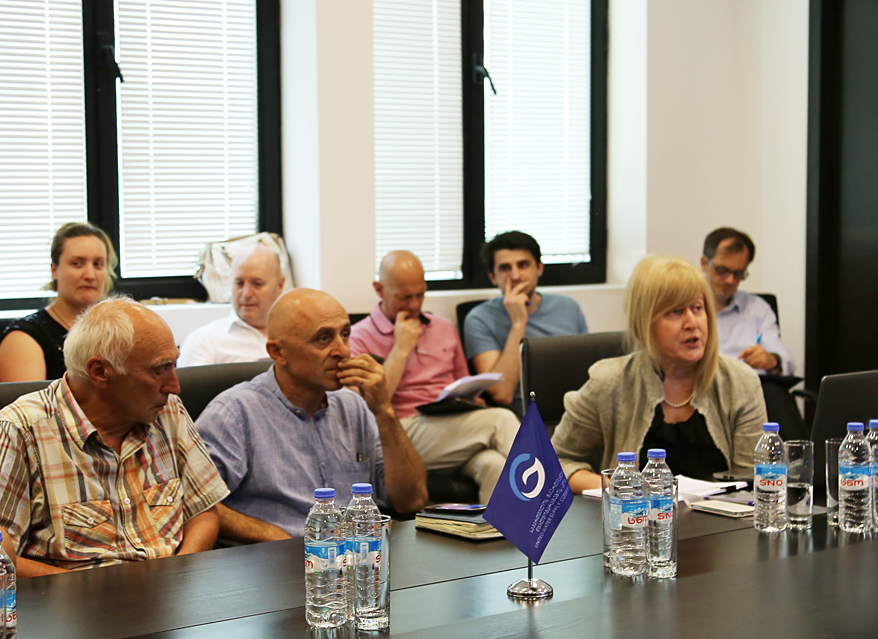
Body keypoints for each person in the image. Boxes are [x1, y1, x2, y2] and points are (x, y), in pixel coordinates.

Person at [0, 298, 231, 575]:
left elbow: (202, 510)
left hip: (171, 587)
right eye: (159, 370)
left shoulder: (167, 410)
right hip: (74, 596)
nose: (174, 386)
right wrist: (93, 591)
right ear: (99, 372)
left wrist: (180, 571)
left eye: (173, 366)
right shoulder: (21, 429)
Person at [195, 289, 428, 540]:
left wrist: (384, 412)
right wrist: (271, 536)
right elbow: (196, 501)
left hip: (356, 553)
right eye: (323, 338)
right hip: (279, 557)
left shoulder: (353, 406)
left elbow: (411, 501)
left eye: (345, 335)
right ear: (278, 353)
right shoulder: (234, 412)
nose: (343, 351)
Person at [552, 256, 766, 491]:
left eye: (697, 308)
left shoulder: (740, 382)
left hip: (724, 515)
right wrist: (617, 487)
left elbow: (753, 479)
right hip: (634, 513)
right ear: (644, 322)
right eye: (675, 312)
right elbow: (553, 463)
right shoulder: (610, 382)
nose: (692, 323)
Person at [351, 251, 520, 502]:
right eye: (404, 297)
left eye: (420, 295)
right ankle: (555, 498)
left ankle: (506, 529)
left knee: (494, 465)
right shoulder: (358, 337)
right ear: (379, 289)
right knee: (501, 420)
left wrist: (472, 402)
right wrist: (401, 348)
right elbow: (370, 407)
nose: (414, 305)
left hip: (450, 427)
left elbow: (463, 382)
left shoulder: (444, 327)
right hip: (400, 432)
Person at [463, 231, 589, 408]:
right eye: (505, 268)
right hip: (524, 414)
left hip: (572, 407)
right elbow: (502, 394)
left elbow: (586, 371)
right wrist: (518, 323)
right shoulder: (479, 318)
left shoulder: (569, 307)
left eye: (523, 265)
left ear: (539, 269)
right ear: (493, 277)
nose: (515, 276)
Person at [0, 222, 115, 382]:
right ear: (54, 270)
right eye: (77, 264)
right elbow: (29, 399)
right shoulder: (24, 337)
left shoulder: (118, 330)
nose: (90, 275)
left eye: (98, 264)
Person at [699, 227, 795, 376]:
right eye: (722, 270)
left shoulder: (757, 308)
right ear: (704, 263)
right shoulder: (683, 307)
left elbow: (786, 361)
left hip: (750, 384)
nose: (730, 280)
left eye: (738, 273)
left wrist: (772, 360)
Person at [177, 243, 285, 366]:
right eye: (239, 283)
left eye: (257, 284)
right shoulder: (204, 341)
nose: (246, 294)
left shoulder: (295, 334)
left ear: (280, 285)